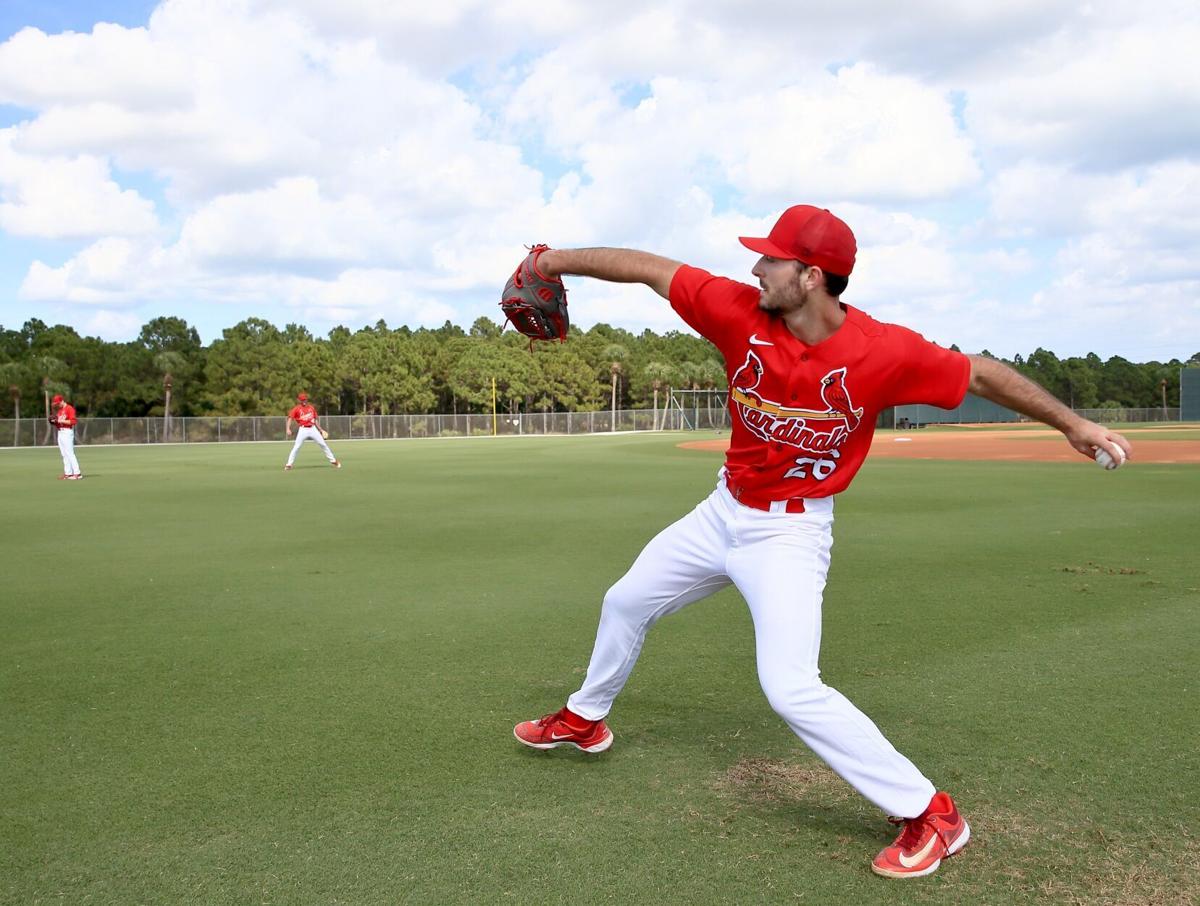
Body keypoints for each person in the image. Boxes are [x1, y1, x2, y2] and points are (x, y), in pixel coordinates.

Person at [511, 205, 1133, 879]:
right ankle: (585, 719)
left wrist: (1073, 424)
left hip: (790, 531)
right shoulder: (736, 310)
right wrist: (550, 260)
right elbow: (650, 270)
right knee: (626, 600)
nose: (755, 268)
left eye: (771, 259)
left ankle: (932, 814)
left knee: (789, 687)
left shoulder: (882, 351)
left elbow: (979, 372)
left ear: (811, 277)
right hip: (723, 510)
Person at [284, 392, 340, 470]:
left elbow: (315, 420)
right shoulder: (297, 408)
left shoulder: (311, 408)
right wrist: (287, 428)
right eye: (302, 400)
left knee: (323, 444)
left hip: (313, 429)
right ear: (299, 400)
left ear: (307, 399)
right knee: (296, 447)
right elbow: (290, 418)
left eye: (305, 399)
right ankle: (289, 464)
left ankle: (333, 460)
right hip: (303, 429)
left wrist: (320, 429)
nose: (304, 401)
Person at [50, 393, 82, 480]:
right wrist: (55, 422)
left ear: (61, 401)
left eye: (57, 403)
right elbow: (59, 423)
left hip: (67, 432)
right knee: (64, 454)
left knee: (70, 453)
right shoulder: (60, 411)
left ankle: (77, 473)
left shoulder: (69, 408)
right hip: (60, 432)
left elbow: (73, 421)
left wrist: (61, 421)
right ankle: (68, 473)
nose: (57, 405)